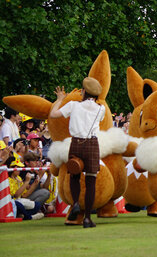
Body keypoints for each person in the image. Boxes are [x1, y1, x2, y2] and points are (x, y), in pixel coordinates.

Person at [49, 77, 106, 228]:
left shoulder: (73, 105)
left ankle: (75, 203)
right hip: (92, 144)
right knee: (91, 181)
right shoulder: (101, 109)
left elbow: (53, 114)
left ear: (83, 92)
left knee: (74, 175)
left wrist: (60, 99)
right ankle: (87, 218)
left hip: (76, 143)